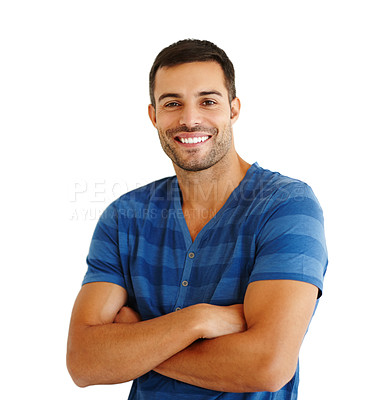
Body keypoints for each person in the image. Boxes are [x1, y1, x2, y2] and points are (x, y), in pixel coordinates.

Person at [67, 39, 328, 399]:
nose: (190, 119)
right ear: (153, 115)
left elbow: (267, 366)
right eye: (172, 103)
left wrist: (140, 341)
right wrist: (197, 320)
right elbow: (83, 361)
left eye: (208, 101)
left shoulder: (285, 205)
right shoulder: (124, 217)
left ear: (233, 109)